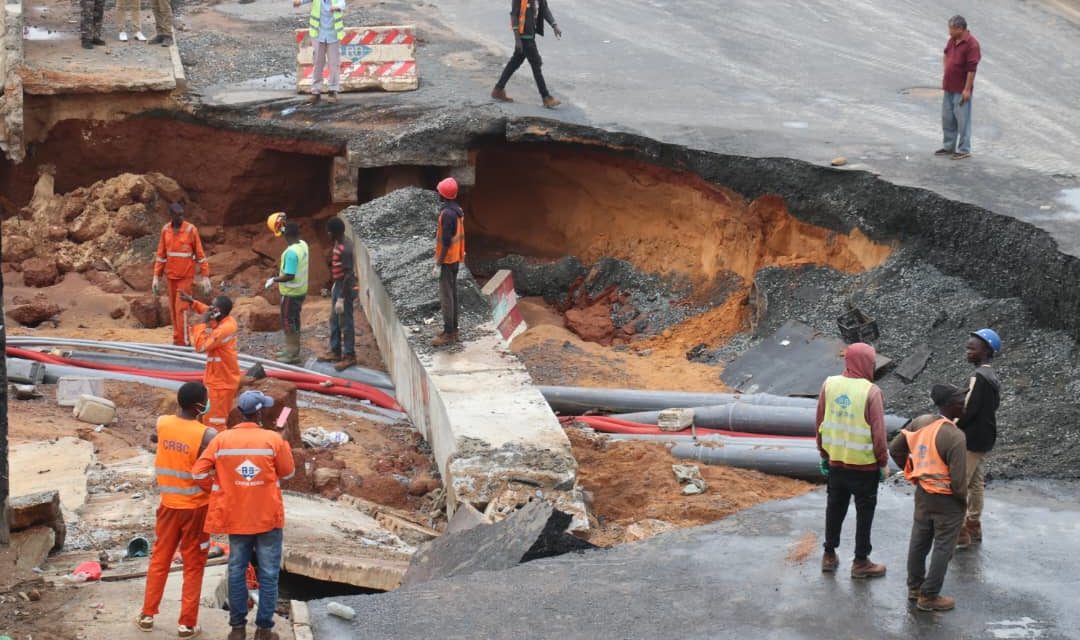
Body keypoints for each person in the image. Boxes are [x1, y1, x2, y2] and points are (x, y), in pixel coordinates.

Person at [192, 390, 294, 640]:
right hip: (267, 518)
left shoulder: (222, 440)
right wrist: (284, 443)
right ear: (259, 412)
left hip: (235, 518)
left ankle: (237, 629)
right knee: (269, 573)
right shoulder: (273, 439)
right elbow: (288, 473)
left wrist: (222, 487)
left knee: (237, 570)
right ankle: (264, 630)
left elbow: (198, 473)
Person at [137, 382, 217, 639]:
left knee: (160, 560)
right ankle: (186, 624)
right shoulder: (206, 434)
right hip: (196, 509)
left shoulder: (163, 423)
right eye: (205, 400)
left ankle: (147, 615)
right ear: (198, 406)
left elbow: (162, 442)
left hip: (168, 505)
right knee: (193, 566)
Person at [890, 384, 969, 613]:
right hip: (947, 500)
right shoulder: (955, 436)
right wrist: (962, 503)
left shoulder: (920, 421)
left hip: (923, 493)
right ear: (948, 404)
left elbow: (895, 449)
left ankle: (915, 588)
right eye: (960, 401)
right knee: (943, 546)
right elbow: (958, 480)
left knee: (919, 541)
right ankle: (930, 596)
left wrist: (914, 471)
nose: (964, 404)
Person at [817, 342, 889, 578]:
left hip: (837, 463)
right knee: (864, 513)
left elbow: (820, 424)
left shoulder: (829, 385)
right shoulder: (871, 391)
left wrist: (823, 454)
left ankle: (829, 554)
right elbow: (879, 434)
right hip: (864, 467)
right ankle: (860, 562)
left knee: (834, 508)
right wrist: (882, 462)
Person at [955, 328, 1002, 548]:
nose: (967, 351)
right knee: (976, 482)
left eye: (972, 348)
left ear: (986, 351)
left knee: (960, 483)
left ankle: (961, 532)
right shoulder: (991, 375)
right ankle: (974, 524)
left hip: (972, 438)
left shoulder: (978, 377)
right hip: (985, 436)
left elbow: (968, 408)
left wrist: (952, 426)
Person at [153, 202, 211, 347]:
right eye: (178, 215)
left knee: (182, 309)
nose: (181, 217)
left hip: (185, 277)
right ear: (171, 215)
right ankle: (177, 339)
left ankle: (184, 342)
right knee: (173, 310)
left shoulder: (191, 230)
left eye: (182, 214)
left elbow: (200, 254)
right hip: (171, 276)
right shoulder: (165, 230)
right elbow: (161, 255)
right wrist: (156, 277)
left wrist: (205, 276)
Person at [180, 293, 241, 430]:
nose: (210, 309)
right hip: (217, 380)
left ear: (218, 311)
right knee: (208, 418)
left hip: (221, 384)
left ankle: (216, 448)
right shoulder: (225, 320)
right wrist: (193, 302)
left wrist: (201, 323)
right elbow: (209, 310)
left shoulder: (223, 330)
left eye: (213, 307)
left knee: (215, 422)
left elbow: (200, 347)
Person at [491, 0, 563, 108]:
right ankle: (546, 97)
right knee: (536, 63)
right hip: (523, 36)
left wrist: (554, 25)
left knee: (516, 61)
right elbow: (514, 15)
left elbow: (544, 9)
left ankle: (498, 89)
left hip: (530, 33)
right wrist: (517, 39)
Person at [935, 15, 981, 160]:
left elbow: (971, 69)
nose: (949, 31)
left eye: (951, 29)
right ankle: (949, 147)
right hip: (949, 86)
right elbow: (945, 54)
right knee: (947, 118)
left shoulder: (972, 44)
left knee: (962, 120)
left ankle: (964, 149)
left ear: (960, 29)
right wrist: (946, 70)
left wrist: (967, 89)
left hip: (961, 89)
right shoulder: (952, 40)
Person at [265, 222, 309, 364]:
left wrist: (274, 279)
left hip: (291, 293)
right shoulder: (303, 244)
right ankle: (293, 350)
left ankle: (292, 354)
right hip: (301, 290)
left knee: (288, 321)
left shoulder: (291, 253)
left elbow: (289, 275)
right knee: (294, 319)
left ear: (286, 235)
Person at [317, 217, 357, 370]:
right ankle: (335, 351)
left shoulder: (345, 248)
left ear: (334, 232)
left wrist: (341, 297)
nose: (327, 234)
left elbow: (348, 274)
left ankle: (349, 355)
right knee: (334, 320)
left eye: (329, 231)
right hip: (338, 285)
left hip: (344, 287)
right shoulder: (338, 242)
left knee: (346, 322)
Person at [432, 178, 465, 347]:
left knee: (446, 297)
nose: (438, 193)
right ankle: (454, 330)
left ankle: (449, 333)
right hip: (456, 259)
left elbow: (445, 242)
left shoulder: (448, 214)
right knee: (453, 294)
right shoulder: (457, 210)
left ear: (443, 194)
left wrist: (438, 263)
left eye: (440, 191)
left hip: (447, 260)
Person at [294, 0, 346, 104]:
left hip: (333, 35)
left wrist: (336, 7)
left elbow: (342, 3)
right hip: (318, 34)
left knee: (334, 64)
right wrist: (298, 2)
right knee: (318, 63)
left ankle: (333, 91)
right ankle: (316, 92)